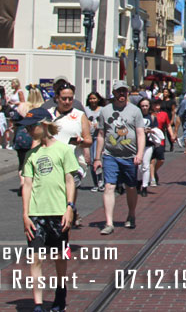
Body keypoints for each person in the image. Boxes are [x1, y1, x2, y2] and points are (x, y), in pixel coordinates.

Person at [18, 107, 78, 312]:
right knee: (35, 258)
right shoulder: (31, 155)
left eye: (31, 127)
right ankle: (37, 303)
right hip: (36, 213)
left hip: (58, 211)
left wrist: (69, 207)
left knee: (59, 257)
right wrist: (25, 214)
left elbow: (70, 180)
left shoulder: (63, 150)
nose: (27, 131)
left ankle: (60, 292)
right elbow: (27, 184)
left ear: (43, 125)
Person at [94, 83, 145, 235]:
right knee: (109, 186)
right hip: (111, 155)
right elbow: (101, 134)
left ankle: (131, 214)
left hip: (130, 156)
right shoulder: (105, 110)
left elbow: (140, 133)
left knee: (131, 187)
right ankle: (109, 222)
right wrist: (97, 157)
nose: (122, 94)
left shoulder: (135, 111)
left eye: (124, 91)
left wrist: (140, 154)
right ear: (114, 93)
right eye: (119, 91)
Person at [49, 79, 92, 227]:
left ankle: (68, 213)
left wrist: (79, 142)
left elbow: (89, 140)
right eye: (64, 98)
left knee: (68, 191)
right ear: (57, 98)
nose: (67, 101)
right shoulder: (48, 115)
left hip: (73, 162)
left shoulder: (79, 115)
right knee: (56, 195)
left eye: (70, 98)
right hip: (53, 161)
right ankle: (68, 213)